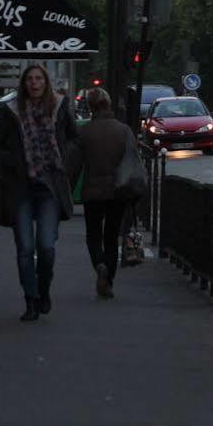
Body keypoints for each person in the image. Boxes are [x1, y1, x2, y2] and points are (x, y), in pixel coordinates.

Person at [0, 63, 76, 321]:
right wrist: (13, 161)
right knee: (25, 248)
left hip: (49, 187)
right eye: (30, 79)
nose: (34, 83)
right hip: (21, 188)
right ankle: (31, 299)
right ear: (24, 84)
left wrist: (65, 166)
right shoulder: (12, 110)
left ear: (46, 82)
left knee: (46, 246)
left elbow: (74, 139)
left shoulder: (59, 107)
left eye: (38, 79)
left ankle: (44, 289)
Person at [72, 88, 135, 298]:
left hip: (93, 192)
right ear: (109, 105)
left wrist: (67, 192)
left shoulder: (85, 132)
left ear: (90, 107)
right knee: (111, 236)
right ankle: (108, 281)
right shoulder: (124, 131)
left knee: (93, 235)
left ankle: (99, 264)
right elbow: (133, 163)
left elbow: (74, 165)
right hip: (118, 191)